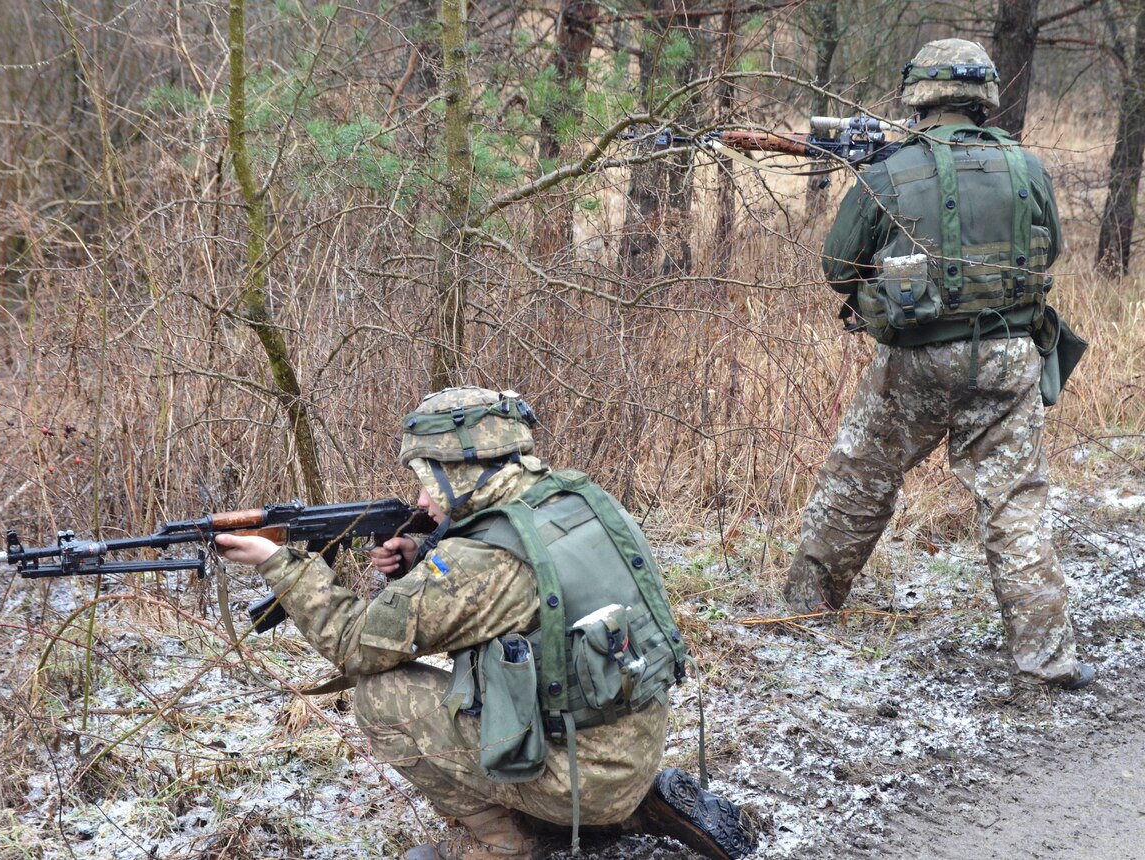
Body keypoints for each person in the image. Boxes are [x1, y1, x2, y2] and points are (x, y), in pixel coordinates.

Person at [217, 386, 756, 859]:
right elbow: (518, 588)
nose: (423, 499)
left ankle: (501, 841)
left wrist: (275, 563)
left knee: (379, 696)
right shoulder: (576, 497)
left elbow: (355, 644)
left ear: (464, 472)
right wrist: (422, 553)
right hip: (632, 744)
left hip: (581, 775)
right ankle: (630, 805)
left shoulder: (482, 564)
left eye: (429, 480)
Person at [783, 39, 1094, 691]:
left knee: (855, 484)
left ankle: (802, 616)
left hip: (915, 362)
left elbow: (838, 269)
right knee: (1016, 505)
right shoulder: (1027, 166)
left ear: (918, 95)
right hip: (1010, 359)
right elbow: (1053, 250)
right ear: (984, 98)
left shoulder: (891, 170)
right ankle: (1047, 658)